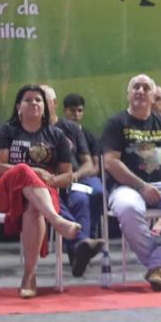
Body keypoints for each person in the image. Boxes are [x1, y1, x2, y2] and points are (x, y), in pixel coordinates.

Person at [101, 74, 161, 291]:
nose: (141, 91)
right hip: (126, 186)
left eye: (146, 88)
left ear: (154, 96)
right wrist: (141, 186)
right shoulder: (116, 123)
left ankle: (158, 266)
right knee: (128, 208)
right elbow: (110, 163)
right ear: (128, 94)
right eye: (136, 87)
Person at [0, 84, 84, 297]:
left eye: (38, 100)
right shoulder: (8, 131)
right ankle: (58, 221)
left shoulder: (56, 135)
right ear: (18, 107)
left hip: (43, 194)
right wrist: (33, 171)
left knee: (34, 209)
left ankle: (29, 276)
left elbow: (67, 176)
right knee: (23, 169)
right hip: (7, 191)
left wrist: (50, 178)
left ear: (46, 107)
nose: (33, 103)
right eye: (28, 100)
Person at [40, 85, 104, 277]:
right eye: (34, 100)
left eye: (44, 100)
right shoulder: (30, 129)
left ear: (54, 104)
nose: (39, 105)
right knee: (53, 200)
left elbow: (87, 163)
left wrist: (74, 176)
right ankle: (80, 246)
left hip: (74, 180)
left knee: (83, 198)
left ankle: (80, 248)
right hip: (46, 183)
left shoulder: (71, 128)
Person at [62, 92, 105, 233]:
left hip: (87, 177)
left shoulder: (89, 135)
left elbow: (96, 166)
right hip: (66, 180)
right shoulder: (58, 132)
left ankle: (91, 233)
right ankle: (78, 236)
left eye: (79, 110)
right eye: (72, 111)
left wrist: (79, 175)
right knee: (80, 199)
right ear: (64, 111)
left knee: (99, 192)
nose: (76, 114)